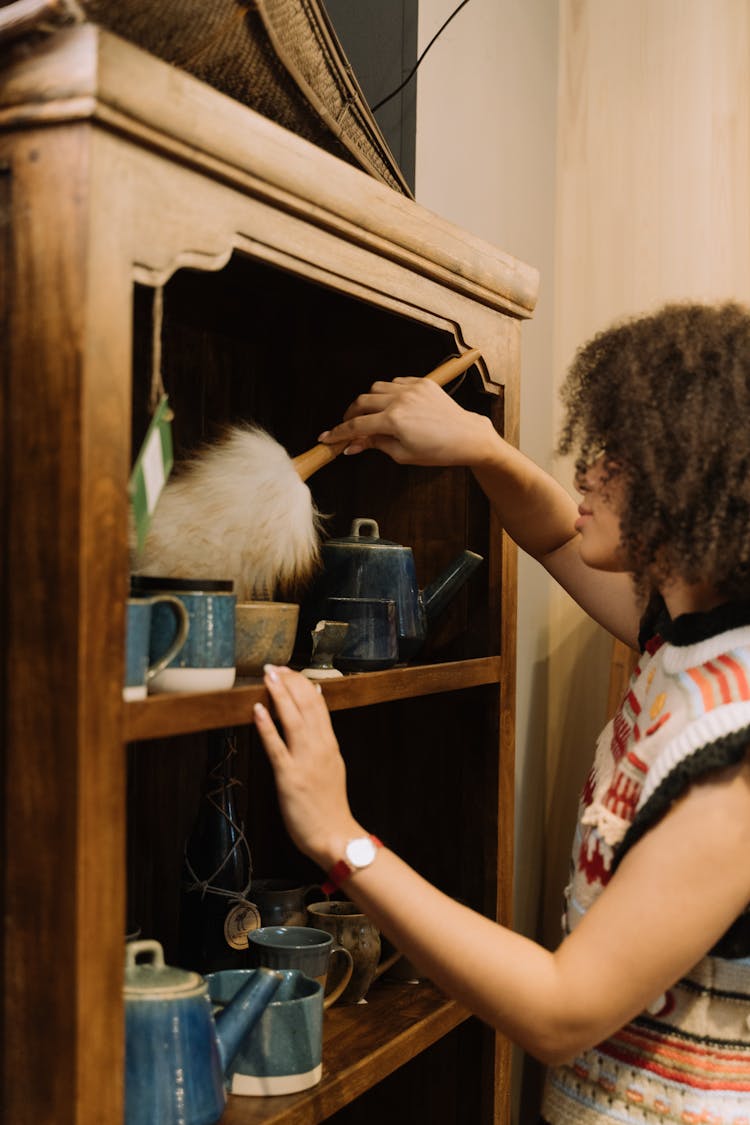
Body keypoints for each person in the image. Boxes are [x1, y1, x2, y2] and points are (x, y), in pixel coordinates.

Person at [253, 301, 750, 1124]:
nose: (586, 471)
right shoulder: (687, 633)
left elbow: (562, 1012)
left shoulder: (733, 756)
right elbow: (559, 534)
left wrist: (338, 835)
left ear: (693, 477)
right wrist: (479, 445)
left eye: (617, 454)